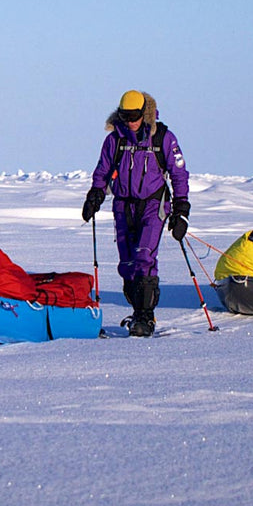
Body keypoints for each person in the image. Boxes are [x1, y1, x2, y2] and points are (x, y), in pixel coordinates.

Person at [81, 90, 191, 337]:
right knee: (127, 264)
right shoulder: (115, 140)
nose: (130, 121)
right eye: (125, 116)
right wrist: (95, 195)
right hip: (123, 206)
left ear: (144, 113)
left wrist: (181, 208)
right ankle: (137, 309)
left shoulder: (162, 138)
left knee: (144, 258)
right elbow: (102, 170)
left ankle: (145, 317)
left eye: (134, 116)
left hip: (153, 205)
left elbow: (179, 174)